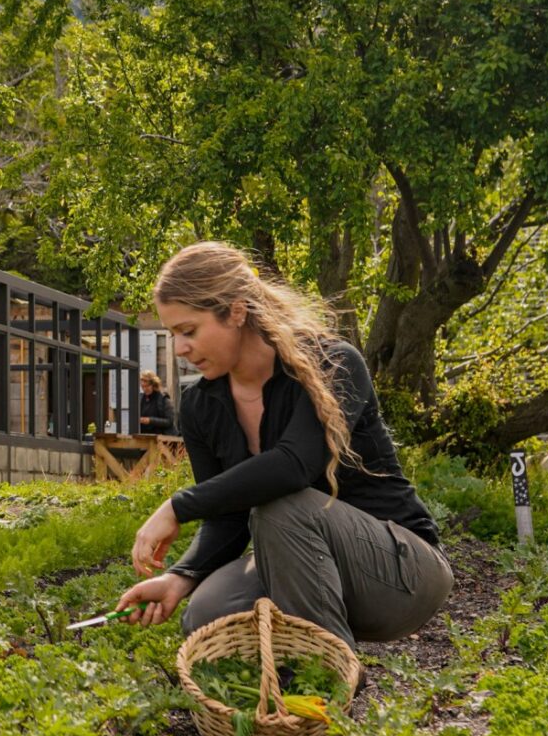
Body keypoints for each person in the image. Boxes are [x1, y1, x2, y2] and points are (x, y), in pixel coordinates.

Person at [114, 242, 451, 652]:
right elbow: (228, 518)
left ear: (236, 311)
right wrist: (180, 577)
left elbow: (293, 466)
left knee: (281, 505)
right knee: (207, 610)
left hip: (402, 573)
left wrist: (177, 506)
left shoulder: (332, 364)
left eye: (189, 331)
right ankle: (285, 679)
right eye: (173, 335)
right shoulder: (201, 405)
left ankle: (326, 677)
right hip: (310, 572)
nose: (180, 348)